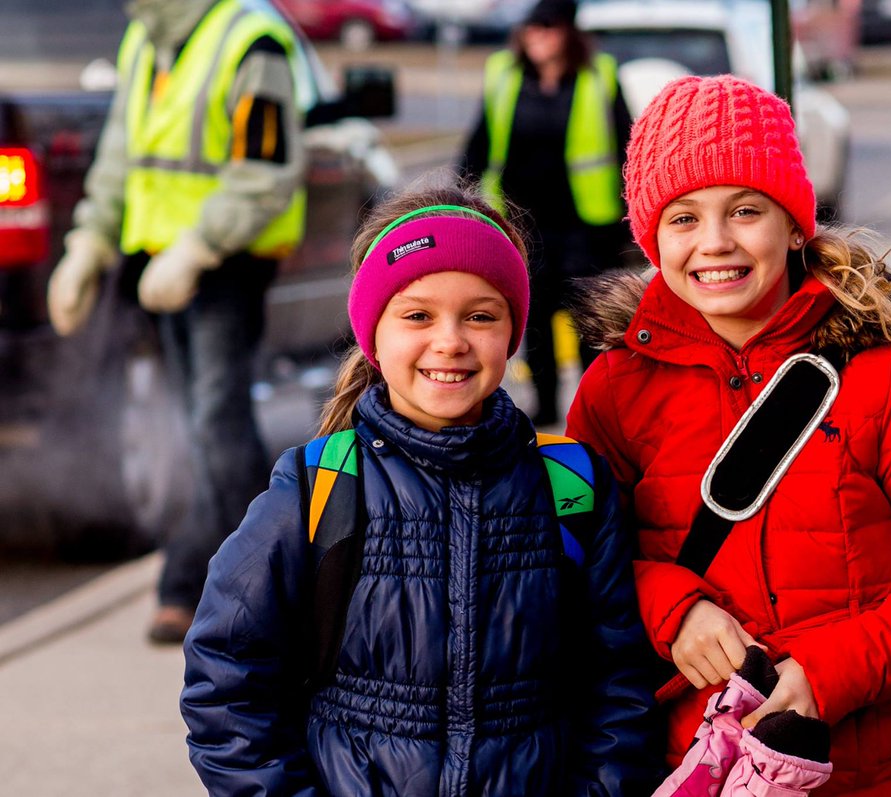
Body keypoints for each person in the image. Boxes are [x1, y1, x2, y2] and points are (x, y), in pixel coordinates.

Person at [565, 74, 891, 795]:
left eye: (745, 210)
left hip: (852, 769)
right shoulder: (615, 390)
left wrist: (826, 672)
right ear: (650, 235)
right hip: (676, 766)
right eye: (682, 218)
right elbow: (581, 558)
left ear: (796, 222)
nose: (714, 243)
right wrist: (673, 608)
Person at [180, 181, 662, 796]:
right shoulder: (318, 487)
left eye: (481, 315)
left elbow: (619, 684)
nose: (451, 340)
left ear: (512, 332)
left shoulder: (571, 489)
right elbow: (226, 676)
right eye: (417, 315)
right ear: (373, 336)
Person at [44, 0, 308, 643]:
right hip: (162, 265)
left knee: (217, 425)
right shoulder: (146, 37)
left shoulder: (252, 40)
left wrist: (198, 246)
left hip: (223, 263)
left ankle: (208, 583)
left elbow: (265, 171)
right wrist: (89, 245)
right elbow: (120, 156)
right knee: (200, 429)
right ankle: (243, 581)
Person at [460, 0, 634, 427]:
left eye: (548, 27)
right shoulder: (503, 72)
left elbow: (628, 145)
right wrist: (462, 198)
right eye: (531, 27)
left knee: (588, 318)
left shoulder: (599, 74)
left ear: (568, 33)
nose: (538, 35)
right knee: (534, 320)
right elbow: (481, 139)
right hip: (523, 220)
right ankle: (546, 408)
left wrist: (632, 216)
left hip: (587, 223)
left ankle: (596, 408)